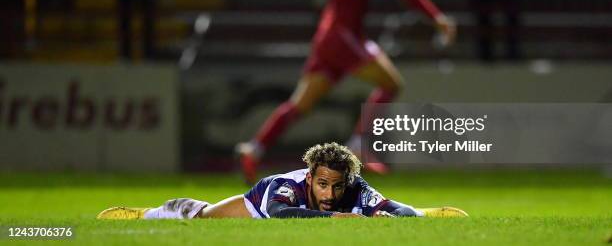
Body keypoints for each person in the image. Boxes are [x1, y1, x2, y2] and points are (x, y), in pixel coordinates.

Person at [231, 0, 456, 184]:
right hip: (338, 37)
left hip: (342, 40)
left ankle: (254, 149)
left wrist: (436, 17)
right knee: (391, 84)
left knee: (300, 104)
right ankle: (358, 142)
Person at [97, 143, 468, 219]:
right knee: (205, 218)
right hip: (256, 207)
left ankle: (427, 213)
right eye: (323, 184)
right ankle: (152, 213)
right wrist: (338, 218)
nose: (331, 193)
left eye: (337, 186)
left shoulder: (353, 187)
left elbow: (387, 206)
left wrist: (409, 217)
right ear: (311, 177)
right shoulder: (284, 186)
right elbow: (277, 212)